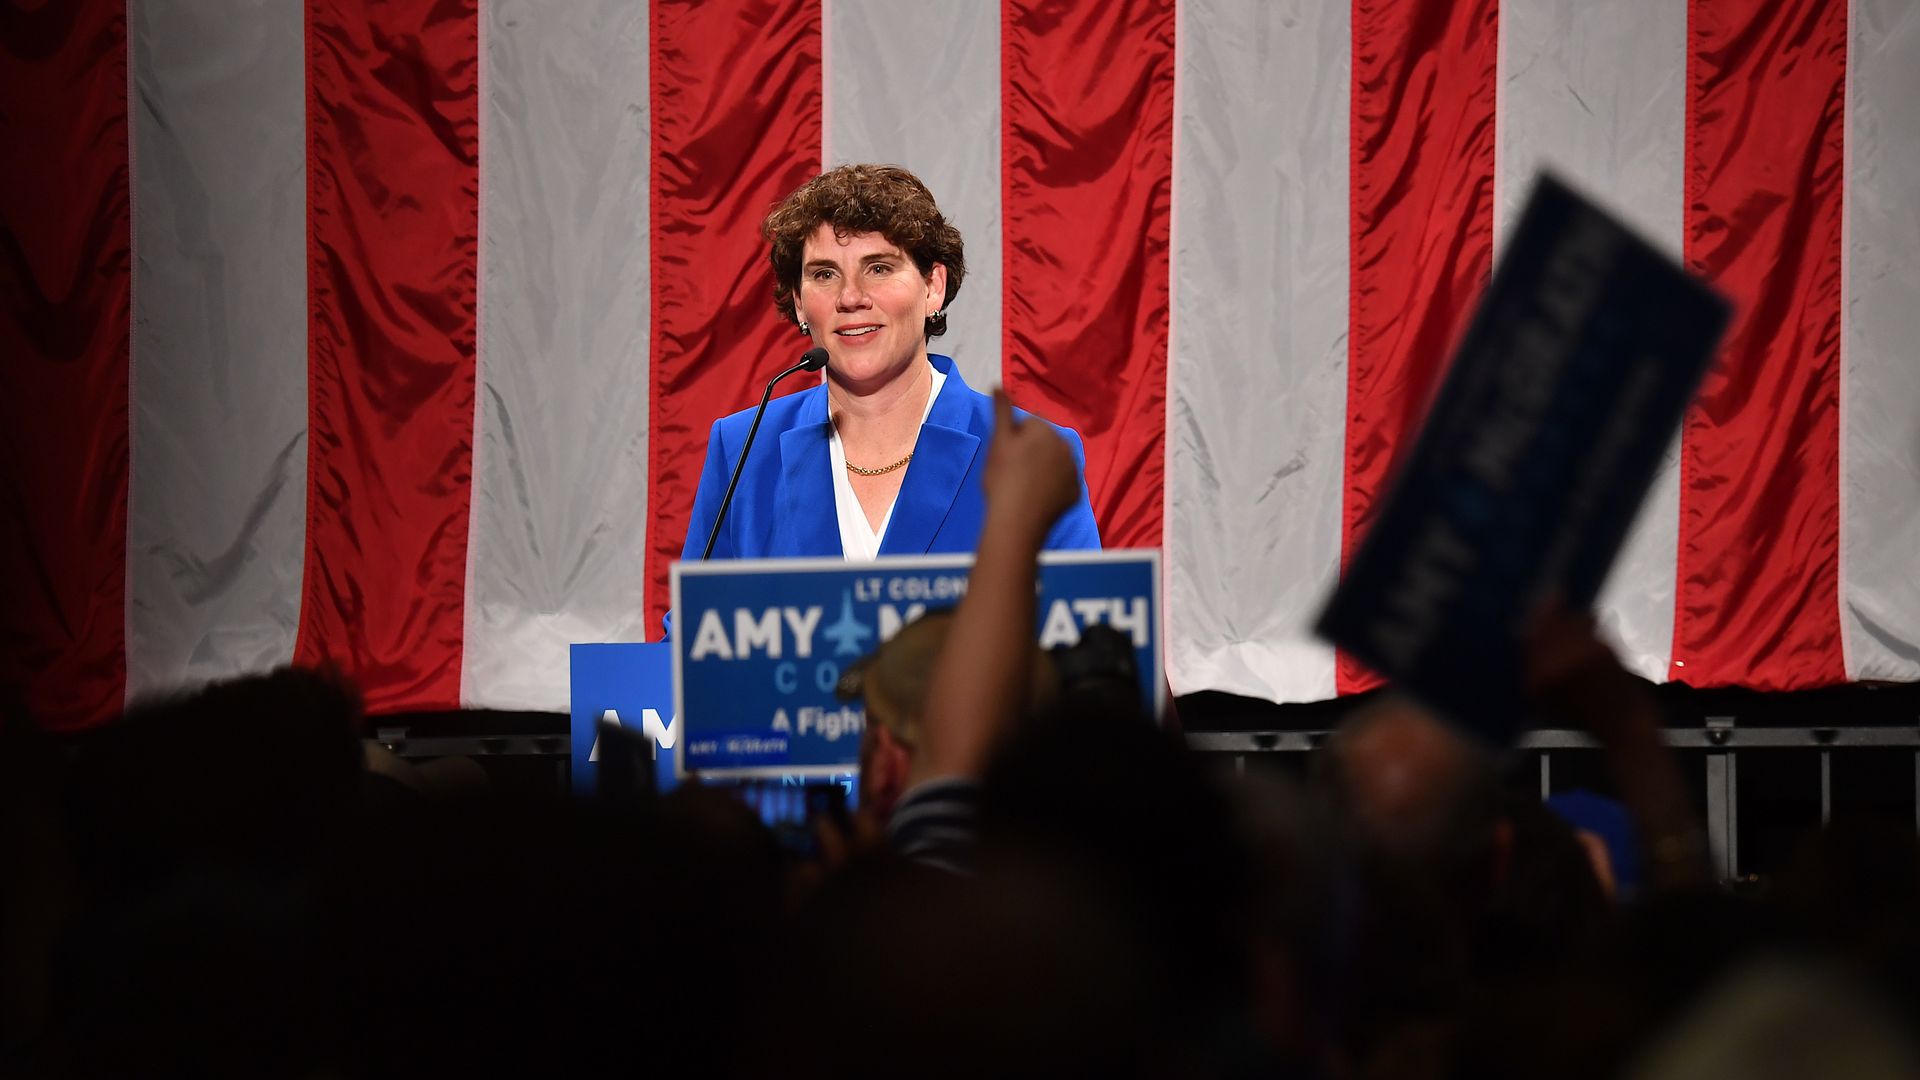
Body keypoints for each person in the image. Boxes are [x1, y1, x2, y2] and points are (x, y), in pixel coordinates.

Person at [680, 164, 1100, 563]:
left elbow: (1083, 631)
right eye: (825, 274)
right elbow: (693, 632)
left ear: (933, 287)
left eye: (879, 268)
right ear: (799, 302)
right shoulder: (742, 448)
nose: (851, 297)